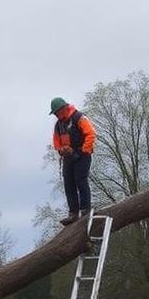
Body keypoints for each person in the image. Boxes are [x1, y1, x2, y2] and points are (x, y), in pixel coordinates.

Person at [49, 96, 96, 225]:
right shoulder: (59, 125)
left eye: (57, 112)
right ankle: (73, 213)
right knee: (68, 184)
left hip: (83, 154)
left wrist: (82, 151)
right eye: (55, 113)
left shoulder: (78, 117)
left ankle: (85, 210)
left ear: (63, 108)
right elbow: (56, 141)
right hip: (68, 157)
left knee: (81, 181)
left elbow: (91, 134)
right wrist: (61, 150)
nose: (56, 115)